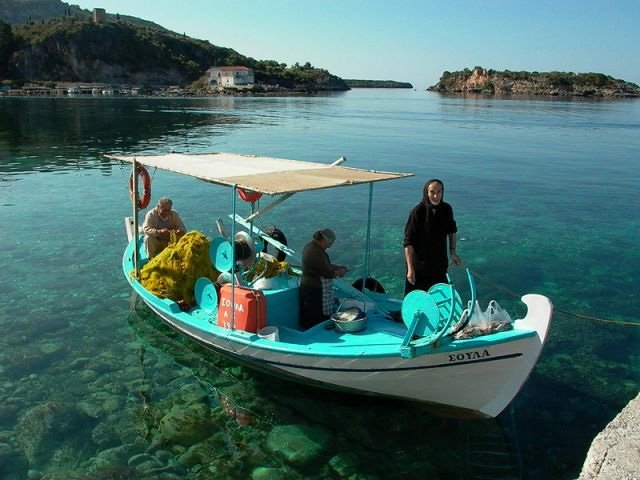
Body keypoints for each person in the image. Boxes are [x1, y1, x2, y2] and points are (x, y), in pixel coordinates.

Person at [403, 179, 462, 295]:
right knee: (416, 300)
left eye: (439, 191)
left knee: (440, 299)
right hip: (419, 269)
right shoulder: (417, 212)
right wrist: (410, 269)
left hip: (440, 266)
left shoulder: (447, 209)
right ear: (426, 192)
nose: (436, 196)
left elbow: (452, 231)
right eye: (432, 192)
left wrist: (453, 252)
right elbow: (408, 242)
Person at [299, 229, 348, 329]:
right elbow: (328, 273)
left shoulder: (310, 246)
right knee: (317, 317)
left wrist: (338, 267)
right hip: (314, 289)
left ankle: (308, 331)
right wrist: (341, 271)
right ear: (322, 241)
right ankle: (317, 333)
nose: (329, 246)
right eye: (329, 244)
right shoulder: (316, 253)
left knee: (308, 315)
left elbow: (324, 266)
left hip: (307, 285)